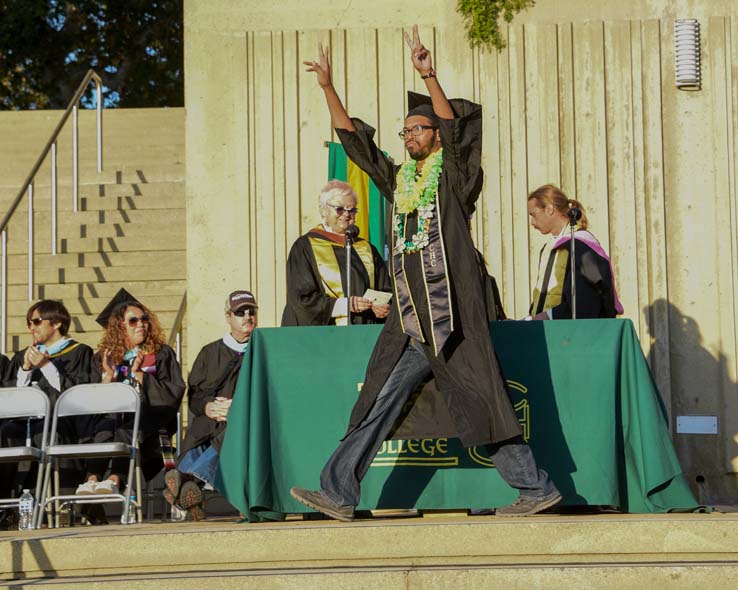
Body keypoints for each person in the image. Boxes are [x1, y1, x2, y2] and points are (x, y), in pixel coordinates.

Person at [290, 26, 561, 520]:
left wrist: (429, 76)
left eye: (417, 129)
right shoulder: (401, 182)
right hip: (411, 319)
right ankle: (338, 492)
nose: (409, 136)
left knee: (482, 397)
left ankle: (535, 486)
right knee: (379, 399)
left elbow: (457, 134)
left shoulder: (453, 182)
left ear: (435, 135)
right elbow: (355, 143)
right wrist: (328, 88)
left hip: (452, 316)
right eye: (405, 131)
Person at [76, 289, 185, 497]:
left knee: (126, 429)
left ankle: (114, 479)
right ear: (119, 327)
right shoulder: (103, 358)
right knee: (103, 428)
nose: (141, 324)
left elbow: (172, 393)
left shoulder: (161, 353)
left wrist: (140, 375)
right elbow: (90, 403)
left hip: (151, 422)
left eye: (144, 319)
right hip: (112, 422)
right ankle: (91, 481)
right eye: (133, 320)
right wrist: (107, 378)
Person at [162, 290, 258, 521]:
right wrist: (207, 407)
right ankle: (191, 491)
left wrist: (238, 406)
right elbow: (194, 395)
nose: (247, 316)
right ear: (228, 317)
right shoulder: (210, 352)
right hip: (211, 419)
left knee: (230, 431)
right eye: (240, 312)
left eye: (251, 311)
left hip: (247, 419)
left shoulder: (264, 348)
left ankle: (186, 482)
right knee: (198, 434)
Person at [0, 300, 93, 522]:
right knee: (5, 431)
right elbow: (10, 398)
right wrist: (24, 370)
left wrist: (46, 366)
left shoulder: (80, 352)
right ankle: (5, 507)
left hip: (62, 423)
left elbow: (77, 394)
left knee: (46, 430)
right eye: (29, 323)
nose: (31, 328)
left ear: (57, 323)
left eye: (36, 322)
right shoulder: (24, 356)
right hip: (25, 422)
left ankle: (60, 507)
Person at [281, 180, 392, 326]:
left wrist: (384, 307)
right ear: (323, 211)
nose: (346, 215)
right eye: (339, 209)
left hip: (364, 333)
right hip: (325, 336)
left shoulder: (367, 249)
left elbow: (386, 290)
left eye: (352, 210)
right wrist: (344, 306)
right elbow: (301, 299)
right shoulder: (305, 247)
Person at [526, 184, 623, 320]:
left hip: (573, 333)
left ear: (549, 209)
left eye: (533, 214)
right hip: (548, 330)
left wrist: (548, 315)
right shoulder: (549, 247)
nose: (531, 222)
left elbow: (587, 299)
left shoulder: (582, 247)